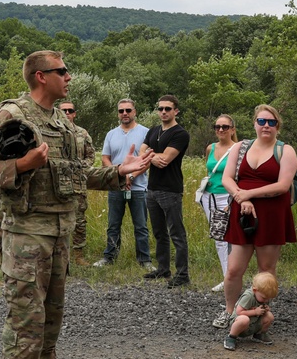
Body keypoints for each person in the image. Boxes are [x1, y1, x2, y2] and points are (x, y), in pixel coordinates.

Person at [0, 50, 151, 359]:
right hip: (26, 230)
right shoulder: (12, 115)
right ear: (40, 76)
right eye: (62, 71)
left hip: (60, 229)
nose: (69, 77)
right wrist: (22, 164)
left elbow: (78, 173)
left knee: (52, 308)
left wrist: (120, 171)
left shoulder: (64, 124)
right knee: (26, 313)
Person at [213, 105, 297, 329]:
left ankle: (260, 314)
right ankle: (230, 311)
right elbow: (227, 179)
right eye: (261, 121)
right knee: (233, 270)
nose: (266, 126)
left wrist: (248, 193)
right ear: (254, 124)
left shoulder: (285, 151)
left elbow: (282, 186)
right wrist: (244, 200)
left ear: (277, 126)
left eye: (271, 122)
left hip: (271, 215)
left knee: (266, 271)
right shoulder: (241, 147)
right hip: (242, 213)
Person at [95, 98, 152, 269]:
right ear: (118, 114)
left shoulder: (145, 133)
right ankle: (109, 257)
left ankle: (145, 260)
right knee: (113, 224)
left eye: (128, 110)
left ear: (135, 112)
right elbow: (105, 158)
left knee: (141, 226)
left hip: (139, 187)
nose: (125, 114)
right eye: (121, 111)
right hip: (116, 187)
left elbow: (148, 159)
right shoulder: (111, 134)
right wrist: (118, 175)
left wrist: (131, 176)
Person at [141, 94, 191, 288]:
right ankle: (163, 268)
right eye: (160, 108)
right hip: (152, 188)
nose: (163, 112)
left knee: (176, 233)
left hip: (170, 189)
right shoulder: (154, 131)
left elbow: (166, 160)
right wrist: (152, 156)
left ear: (175, 111)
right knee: (159, 232)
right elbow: (141, 152)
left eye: (167, 109)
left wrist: (149, 155)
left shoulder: (180, 134)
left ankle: (182, 273)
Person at [201, 114, 237, 292]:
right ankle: (227, 277)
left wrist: (233, 199)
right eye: (217, 127)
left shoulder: (238, 148)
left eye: (225, 127)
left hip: (227, 196)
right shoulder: (211, 148)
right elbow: (209, 170)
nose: (221, 130)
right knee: (219, 237)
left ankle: (231, 278)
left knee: (230, 238)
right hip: (209, 196)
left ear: (232, 129)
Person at [59, 100, 95, 265]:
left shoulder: (82, 133)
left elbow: (91, 156)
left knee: (79, 220)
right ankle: (59, 255)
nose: (66, 113)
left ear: (74, 114)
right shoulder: (51, 132)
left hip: (77, 183)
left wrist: (80, 168)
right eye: (63, 110)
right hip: (57, 183)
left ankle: (79, 254)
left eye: (70, 110)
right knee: (57, 219)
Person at [222, 271, 278, 351]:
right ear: (255, 290)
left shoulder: (263, 295)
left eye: (269, 298)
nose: (266, 300)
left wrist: (266, 309)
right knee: (244, 319)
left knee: (269, 316)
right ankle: (231, 337)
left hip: (253, 323)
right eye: (264, 298)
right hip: (240, 324)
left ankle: (259, 334)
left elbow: (263, 306)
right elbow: (239, 312)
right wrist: (255, 312)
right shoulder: (248, 297)